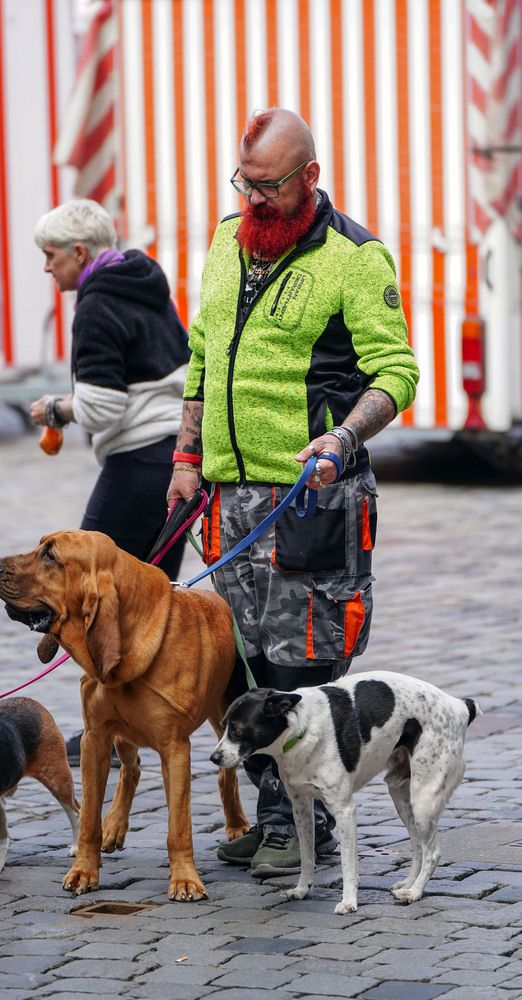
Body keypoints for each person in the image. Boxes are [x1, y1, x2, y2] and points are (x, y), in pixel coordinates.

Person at [167, 108, 419, 878]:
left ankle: (300, 826)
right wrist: (186, 454)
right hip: (229, 498)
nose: (253, 199)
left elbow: (397, 373)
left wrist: (343, 439)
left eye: (268, 185)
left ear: (310, 176)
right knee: (243, 667)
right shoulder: (223, 239)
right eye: (243, 182)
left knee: (304, 669)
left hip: (312, 500)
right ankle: (276, 814)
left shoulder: (355, 256)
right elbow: (204, 355)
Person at [32, 198, 190, 764]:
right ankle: (146, 716)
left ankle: (108, 725)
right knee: (150, 599)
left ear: (79, 252)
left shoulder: (96, 305)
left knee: (79, 590)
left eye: (50, 256)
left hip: (137, 462)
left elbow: (101, 406)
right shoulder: (143, 281)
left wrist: (56, 408)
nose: (46, 267)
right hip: (174, 457)